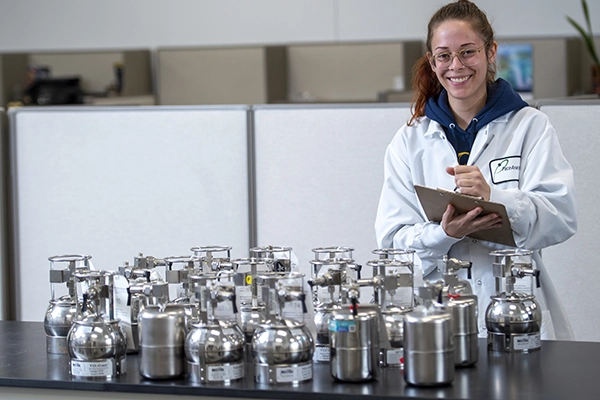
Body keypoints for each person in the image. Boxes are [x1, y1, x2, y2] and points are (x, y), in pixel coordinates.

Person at [374, 0, 577, 340]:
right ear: (431, 61)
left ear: (490, 52)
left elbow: (561, 215)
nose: (456, 66)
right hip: (440, 317)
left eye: (468, 52)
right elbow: (393, 242)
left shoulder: (530, 126)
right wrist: (444, 234)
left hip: (515, 309)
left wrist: (494, 197)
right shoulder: (410, 140)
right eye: (444, 55)